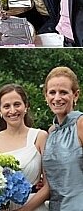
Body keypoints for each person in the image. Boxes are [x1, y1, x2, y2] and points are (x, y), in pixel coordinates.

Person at [0, 83, 49, 211]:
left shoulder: (40, 137)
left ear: (26, 106)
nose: (12, 111)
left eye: (17, 104)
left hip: (34, 206)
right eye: (6, 106)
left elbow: (48, 186)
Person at [42, 66, 83, 211]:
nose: (57, 98)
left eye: (63, 92)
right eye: (52, 92)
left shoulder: (81, 124)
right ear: (46, 96)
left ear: (75, 95)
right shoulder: (51, 132)